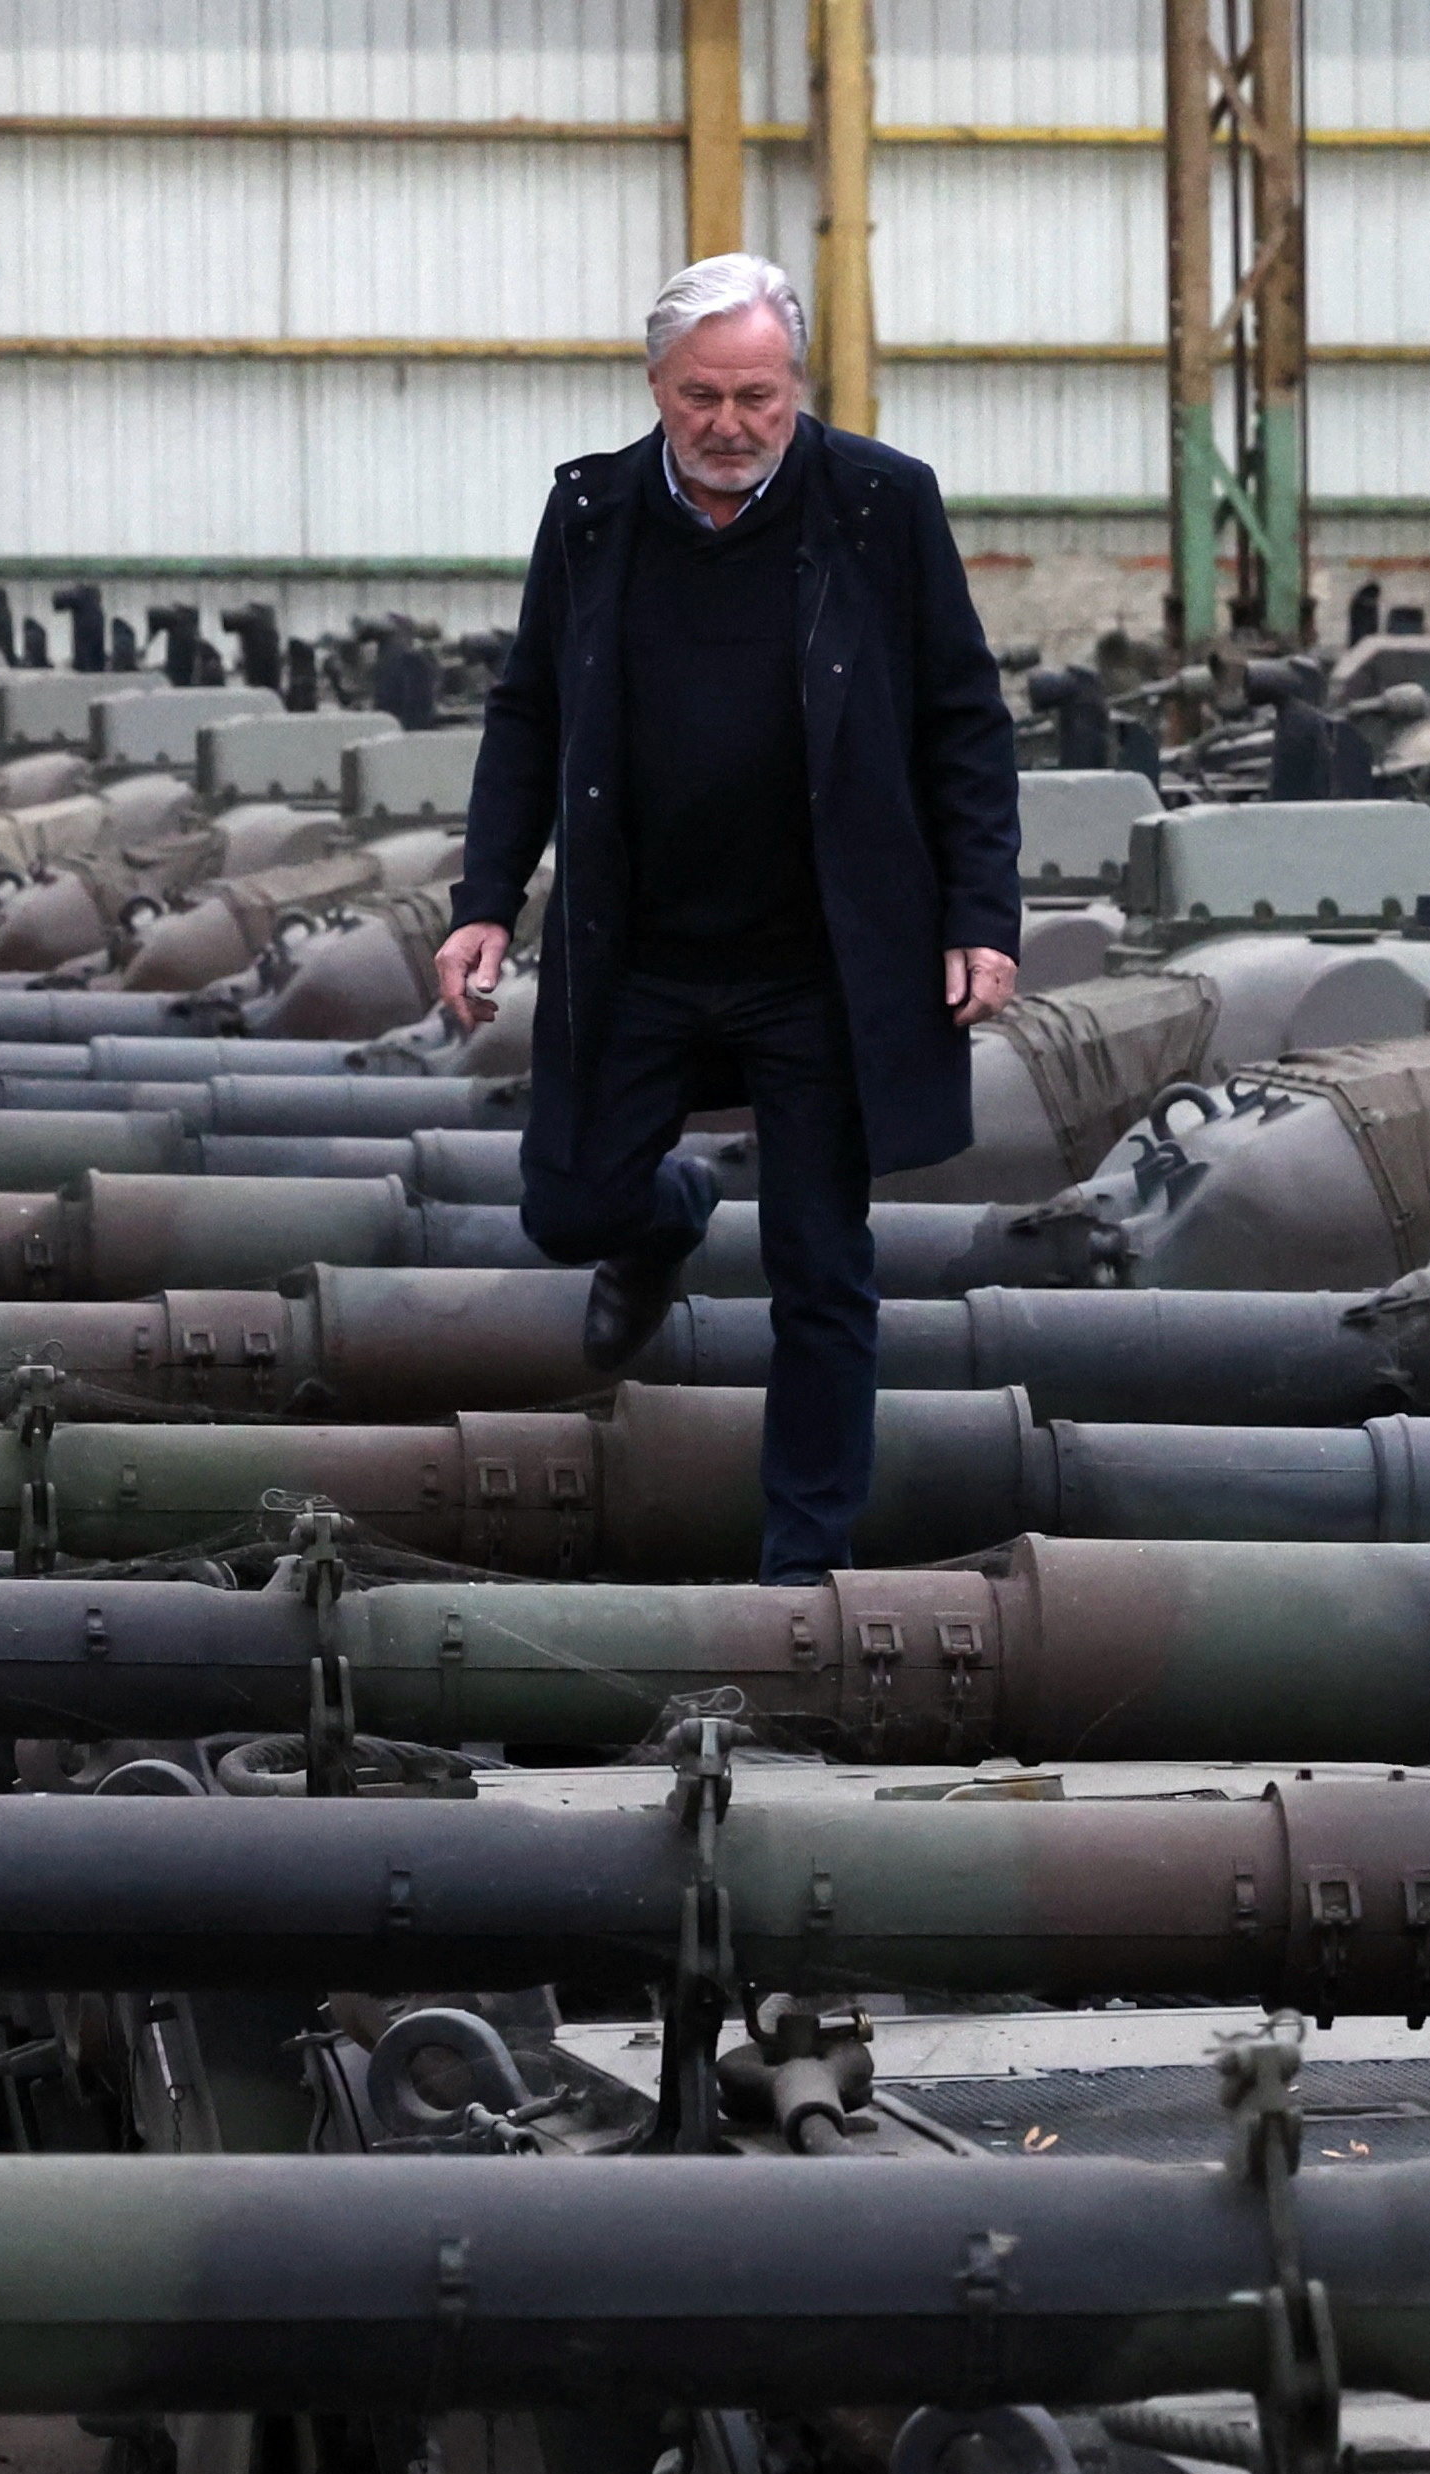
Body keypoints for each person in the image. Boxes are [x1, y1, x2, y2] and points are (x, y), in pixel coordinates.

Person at [436, 253, 1024, 1579]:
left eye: (758, 395)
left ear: (794, 387)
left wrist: (983, 917)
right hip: (637, 944)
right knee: (569, 1206)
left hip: (820, 955)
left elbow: (963, 723)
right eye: (701, 395)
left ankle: (801, 1562)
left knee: (825, 1266)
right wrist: (485, 901)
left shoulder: (879, 506)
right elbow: (528, 713)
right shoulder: (591, 515)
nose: (729, 424)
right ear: (656, 386)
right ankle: (668, 1210)